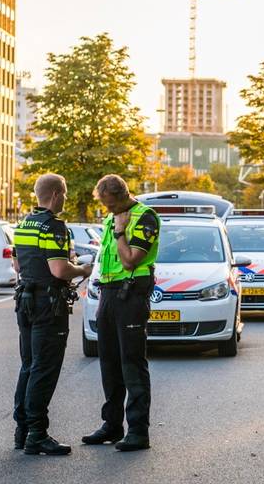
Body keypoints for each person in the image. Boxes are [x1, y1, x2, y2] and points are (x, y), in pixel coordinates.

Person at [11, 173, 91, 455]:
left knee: (29, 365)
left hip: (26, 302)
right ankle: (37, 434)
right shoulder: (54, 226)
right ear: (56, 194)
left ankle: (22, 431)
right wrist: (82, 269)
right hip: (48, 304)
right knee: (44, 368)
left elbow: (18, 266)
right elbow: (59, 269)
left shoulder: (23, 224)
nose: (65, 199)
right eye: (64, 194)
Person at [83, 174, 161, 452]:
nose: (107, 209)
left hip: (131, 295)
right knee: (109, 363)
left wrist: (120, 232)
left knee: (132, 363)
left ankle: (138, 432)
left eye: (111, 204)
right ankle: (112, 425)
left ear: (123, 196)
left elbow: (130, 261)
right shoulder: (112, 217)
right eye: (104, 204)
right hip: (108, 293)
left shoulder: (145, 217)